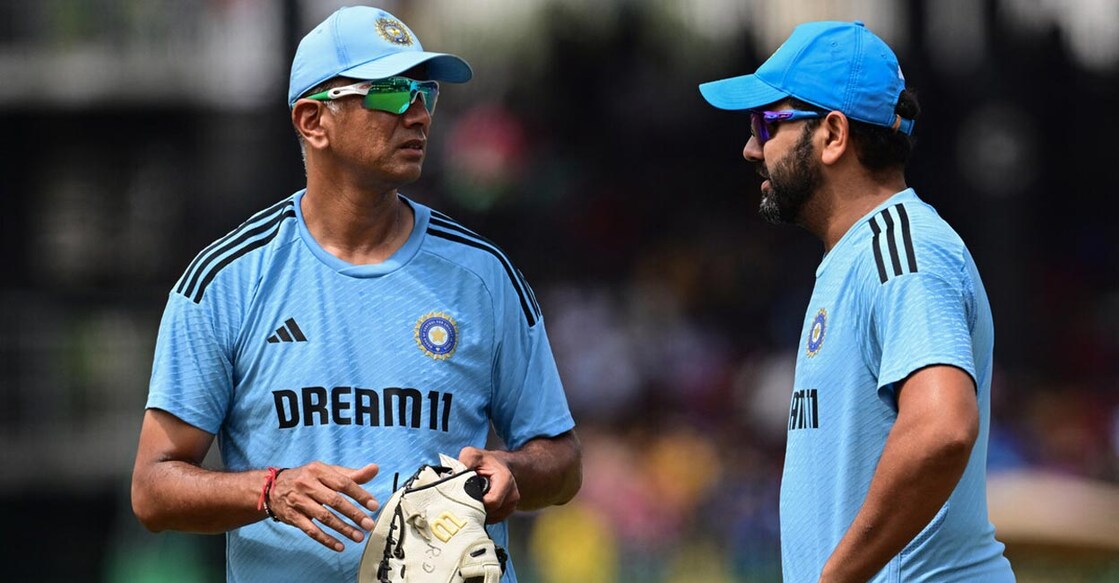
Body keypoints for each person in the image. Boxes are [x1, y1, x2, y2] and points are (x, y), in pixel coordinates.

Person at [131, 6, 582, 582]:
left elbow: (563, 460)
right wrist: (271, 492)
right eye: (393, 94)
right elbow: (152, 489)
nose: (419, 114)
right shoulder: (227, 281)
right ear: (313, 120)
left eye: (427, 93)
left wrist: (515, 470)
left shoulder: (484, 275)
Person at [699, 21, 1014, 582]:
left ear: (834, 134)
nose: (750, 147)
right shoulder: (860, 254)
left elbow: (943, 427)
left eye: (765, 122)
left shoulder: (903, 250)